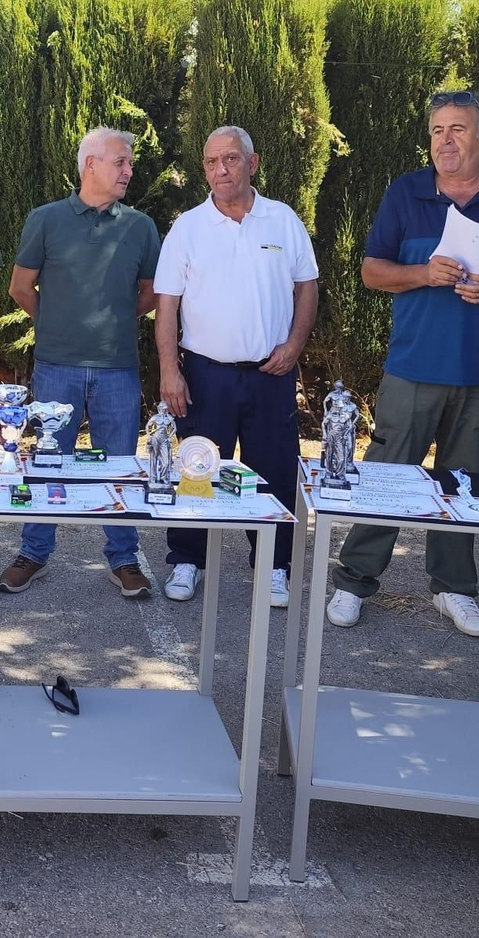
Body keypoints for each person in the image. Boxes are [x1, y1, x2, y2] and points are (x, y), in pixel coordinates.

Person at [328, 89, 479, 637]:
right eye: (436, 131)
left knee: (465, 484)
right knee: (388, 477)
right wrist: (422, 274)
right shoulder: (406, 193)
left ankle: (453, 590)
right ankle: (354, 581)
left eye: (457, 129)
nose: (445, 141)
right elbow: (371, 272)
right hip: (413, 366)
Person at [154, 125, 318, 608]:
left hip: (272, 372)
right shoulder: (188, 226)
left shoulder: (283, 220)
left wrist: (294, 344)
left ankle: (274, 567)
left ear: (253, 162)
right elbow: (166, 304)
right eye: (211, 162)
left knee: (274, 471)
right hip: (206, 374)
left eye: (230, 159)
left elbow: (306, 286)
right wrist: (169, 369)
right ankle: (187, 559)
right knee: (198, 469)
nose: (220, 169)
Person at [0, 127, 161, 598]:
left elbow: (151, 293)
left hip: (118, 368)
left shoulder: (140, 226)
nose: (129, 170)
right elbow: (19, 287)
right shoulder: (45, 219)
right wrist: (58, 323)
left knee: (119, 464)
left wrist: (109, 322)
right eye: (121, 162)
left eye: (129, 163)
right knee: (49, 462)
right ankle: (33, 552)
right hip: (56, 366)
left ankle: (124, 558)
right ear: (90, 163)